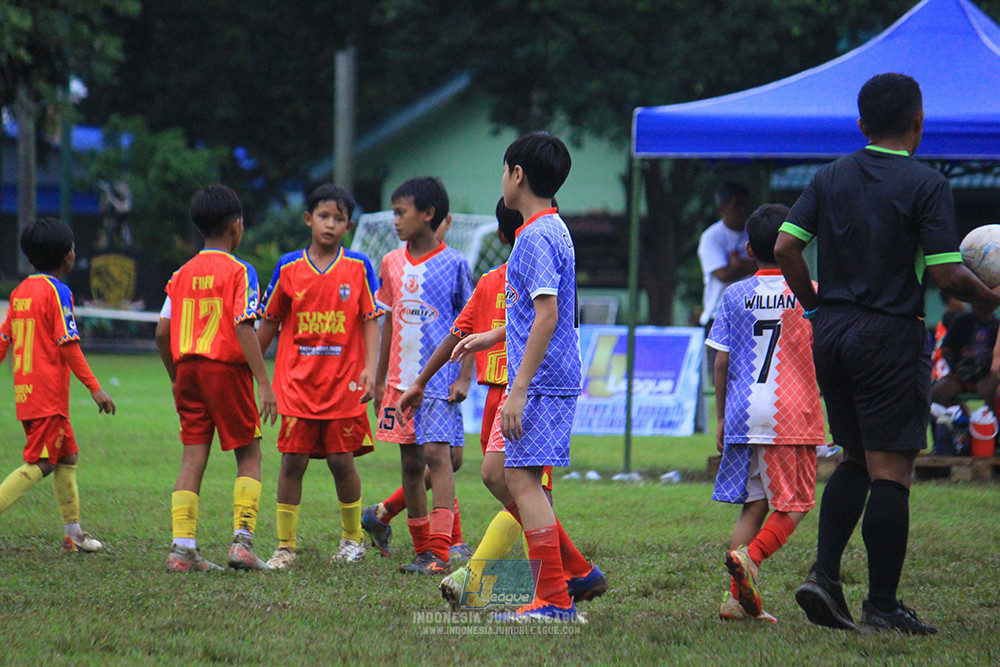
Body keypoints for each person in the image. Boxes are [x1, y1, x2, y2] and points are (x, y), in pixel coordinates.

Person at [775, 73, 1000, 635]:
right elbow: (948, 272)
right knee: (892, 471)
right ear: (918, 123)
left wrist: (817, 307)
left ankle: (824, 576)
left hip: (832, 333)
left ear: (861, 125)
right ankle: (881, 605)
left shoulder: (828, 176)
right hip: (890, 335)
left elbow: (785, 246)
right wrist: (990, 299)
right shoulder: (928, 184)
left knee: (855, 456)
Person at [453, 132, 596, 623]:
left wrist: (516, 391)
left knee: (520, 480)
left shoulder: (533, 236)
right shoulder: (552, 227)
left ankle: (555, 601)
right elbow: (534, 312)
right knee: (516, 477)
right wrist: (493, 338)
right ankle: (567, 584)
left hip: (540, 381)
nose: (502, 179)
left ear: (517, 176)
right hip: (549, 377)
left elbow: (548, 316)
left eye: (503, 170)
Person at [707, 203, 824, 622]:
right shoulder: (810, 290)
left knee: (754, 503)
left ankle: (736, 600)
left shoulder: (734, 294)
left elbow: (721, 362)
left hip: (742, 411)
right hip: (792, 413)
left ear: (751, 247)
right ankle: (751, 559)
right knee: (796, 503)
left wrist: (721, 417)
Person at [256, 184, 383, 568]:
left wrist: (371, 369)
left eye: (339, 218)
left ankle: (351, 539)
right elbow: (268, 323)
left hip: (344, 386)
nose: (330, 224)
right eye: (324, 216)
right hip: (296, 386)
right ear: (308, 219)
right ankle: (285, 546)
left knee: (341, 462)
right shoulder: (288, 267)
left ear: (348, 224)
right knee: (291, 461)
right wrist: (246, 368)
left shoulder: (358, 267)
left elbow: (372, 320)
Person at [155, 184, 278, 572]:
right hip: (224, 369)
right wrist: (263, 381)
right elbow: (244, 325)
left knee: (193, 454)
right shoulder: (241, 270)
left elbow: (162, 331)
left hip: (187, 367)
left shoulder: (181, 273)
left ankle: (182, 549)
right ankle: (242, 542)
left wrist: (176, 376)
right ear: (236, 227)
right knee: (249, 453)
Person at [371, 176, 474, 574]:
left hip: (438, 383)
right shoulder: (391, 264)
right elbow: (388, 324)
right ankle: (422, 552)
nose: (395, 221)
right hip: (399, 382)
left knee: (439, 457)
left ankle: (442, 549)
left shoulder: (456, 264)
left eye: (401, 212)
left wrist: (463, 377)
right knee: (411, 464)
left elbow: (470, 324)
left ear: (429, 215)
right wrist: (380, 380)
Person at [0, 218, 116, 552]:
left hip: (27, 393)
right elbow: (68, 344)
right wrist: (95, 388)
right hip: (47, 395)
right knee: (42, 463)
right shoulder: (57, 291)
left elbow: (4, 337)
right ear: (67, 255)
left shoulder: (20, 292)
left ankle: (74, 535)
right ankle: (73, 535)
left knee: (68, 457)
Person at [698, 181, 756, 375]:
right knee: (722, 376)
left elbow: (770, 265)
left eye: (746, 205)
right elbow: (722, 274)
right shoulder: (712, 237)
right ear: (722, 209)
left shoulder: (754, 233)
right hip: (719, 314)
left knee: (750, 374)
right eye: (737, 205)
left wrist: (740, 265)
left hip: (751, 311)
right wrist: (750, 266)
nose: (743, 210)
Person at [930, 300, 1000, 413]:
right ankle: (957, 422)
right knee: (938, 391)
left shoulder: (996, 325)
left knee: (991, 392)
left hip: (986, 376)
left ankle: (990, 427)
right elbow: (946, 349)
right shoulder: (961, 321)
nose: (984, 307)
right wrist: (956, 367)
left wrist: (986, 367)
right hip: (960, 375)